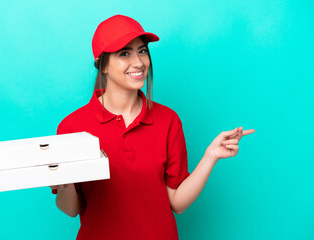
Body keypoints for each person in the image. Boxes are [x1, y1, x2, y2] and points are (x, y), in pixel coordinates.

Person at [50, 14, 255, 240]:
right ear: (103, 65)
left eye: (142, 50)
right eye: (124, 53)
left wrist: (210, 156)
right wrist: (65, 182)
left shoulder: (168, 120)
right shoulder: (73, 126)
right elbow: (71, 209)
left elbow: (177, 202)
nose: (138, 62)